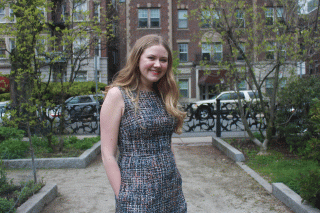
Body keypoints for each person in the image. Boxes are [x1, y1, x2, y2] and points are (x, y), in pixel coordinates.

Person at [100, 34, 187, 212]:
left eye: (163, 60)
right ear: (137, 58)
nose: (158, 64)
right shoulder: (118, 95)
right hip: (136, 195)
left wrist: (175, 175)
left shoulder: (164, 94)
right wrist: (122, 195)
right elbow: (107, 154)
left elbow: (166, 142)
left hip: (171, 189)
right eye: (151, 58)